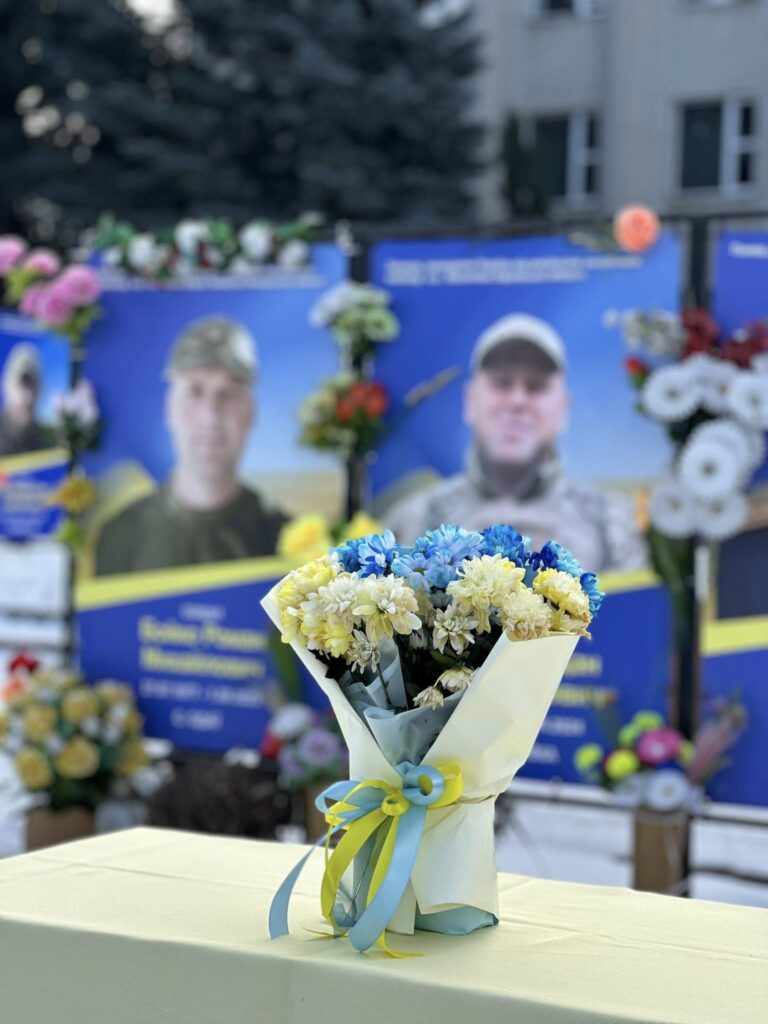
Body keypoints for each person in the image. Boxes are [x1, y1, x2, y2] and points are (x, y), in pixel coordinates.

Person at [384, 313, 647, 572]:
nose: (518, 401)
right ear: (470, 402)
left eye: (536, 386)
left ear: (563, 409)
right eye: (501, 383)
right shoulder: (411, 522)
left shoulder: (612, 524)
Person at [94, 316, 287, 575]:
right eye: (194, 391)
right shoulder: (121, 536)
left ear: (250, 412)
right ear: (169, 408)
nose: (211, 416)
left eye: (229, 394)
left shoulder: (285, 540)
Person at [0, 344, 50, 456]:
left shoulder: (47, 441)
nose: (27, 396)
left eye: (32, 385)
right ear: (6, 386)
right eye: (21, 384)